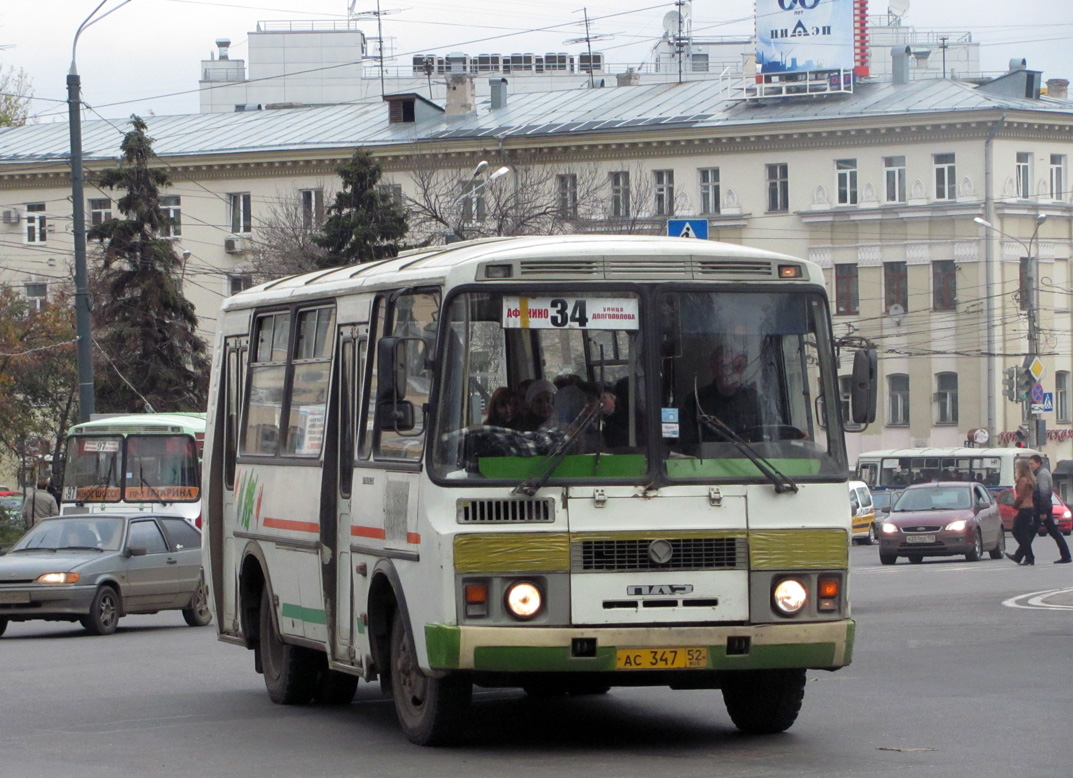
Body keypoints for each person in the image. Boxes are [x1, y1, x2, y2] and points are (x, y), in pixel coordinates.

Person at [679, 344, 763, 453]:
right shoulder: (695, 401)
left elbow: (772, 442)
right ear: (713, 369)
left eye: (736, 366)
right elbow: (686, 446)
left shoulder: (756, 400)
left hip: (754, 466)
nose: (730, 371)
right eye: (724, 365)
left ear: (743, 369)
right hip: (709, 467)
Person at [1029, 454, 1071, 564]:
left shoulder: (1042, 474)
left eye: (1032, 464)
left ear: (1038, 463)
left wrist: (1043, 511)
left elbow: (1044, 493)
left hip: (1042, 508)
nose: (1030, 466)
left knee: (1033, 532)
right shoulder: (1042, 473)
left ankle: (1023, 555)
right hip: (1044, 507)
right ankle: (1066, 555)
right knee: (1051, 532)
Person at [1006, 460, 1038, 565]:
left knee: (1017, 531)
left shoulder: (1022, 480)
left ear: (1021, 469)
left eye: (1017, 468)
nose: (1016, 470)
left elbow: (1020, 496)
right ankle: (1022, 555)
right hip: (1029, 508)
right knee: (1023, 534)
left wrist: (1014, 505)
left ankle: (1028, 556)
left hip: (1024, 508)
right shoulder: (1030, 480)